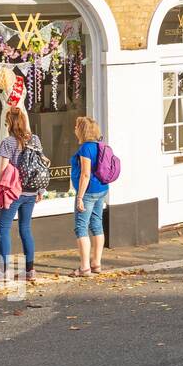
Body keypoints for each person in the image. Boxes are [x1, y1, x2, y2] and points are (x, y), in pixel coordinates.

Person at [0, 106, 44, 282]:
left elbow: (3, 169)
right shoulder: (34, 139)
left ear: (9, 123)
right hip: (30, 191)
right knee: (26, 228)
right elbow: (41, 165)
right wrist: (40, 190)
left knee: (4, 229)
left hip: (13, 192)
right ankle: (30, 271)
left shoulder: (8, 142)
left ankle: (4, 271)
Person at [71, 116, 109, 276]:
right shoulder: (101, 145)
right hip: (102, 188)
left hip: (88, 191)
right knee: (97, 225)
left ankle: (84, 267)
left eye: (76, 126)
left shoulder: (86, 148)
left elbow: (85, 174)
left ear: (82, 130)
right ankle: (96, 263)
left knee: (81, 227)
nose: (74, 129)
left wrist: (80, 197)